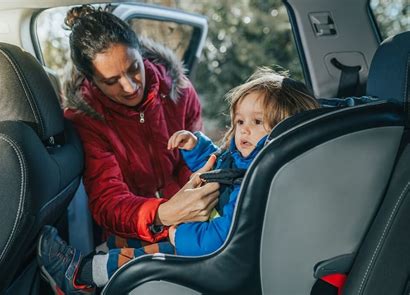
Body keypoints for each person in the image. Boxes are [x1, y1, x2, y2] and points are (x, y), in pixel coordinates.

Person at [37, 67, 319, 293]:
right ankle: (90, 262)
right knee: (122, 241)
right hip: (198, 228)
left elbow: (221, 238)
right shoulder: (244, 157)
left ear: (283, 132)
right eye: (240, 122)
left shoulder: (258, 181)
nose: (244, 131)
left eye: (257, 123)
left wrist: (178, 233)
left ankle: (78, 278)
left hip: (208, 250)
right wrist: (196, 147)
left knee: (137, 258)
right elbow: (218, 166)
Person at [62, 4, 220, 247]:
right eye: (111, 81)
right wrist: (162, 213)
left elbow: (194, 160)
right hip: (133, 226)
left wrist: (196, 194)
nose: (129, 87)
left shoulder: (180, 91)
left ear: (140, 54)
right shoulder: (86, 121)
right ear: (91, 80)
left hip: (191, 214)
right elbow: (108, 201)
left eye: (133, 68)